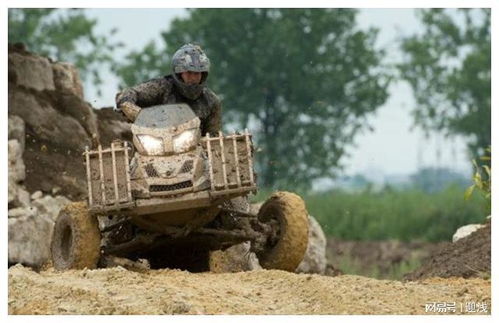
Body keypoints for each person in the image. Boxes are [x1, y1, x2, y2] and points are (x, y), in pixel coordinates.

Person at [115, 43, 221, 136]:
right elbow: (130, 93)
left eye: (197, 73)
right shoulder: (162, 87)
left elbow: (213, 138)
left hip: (194, 148)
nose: (193, 78)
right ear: (179, 73)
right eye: (189, 73)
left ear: (203, 75)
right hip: (152, 141)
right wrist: (133, 110)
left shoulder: (211, 101)